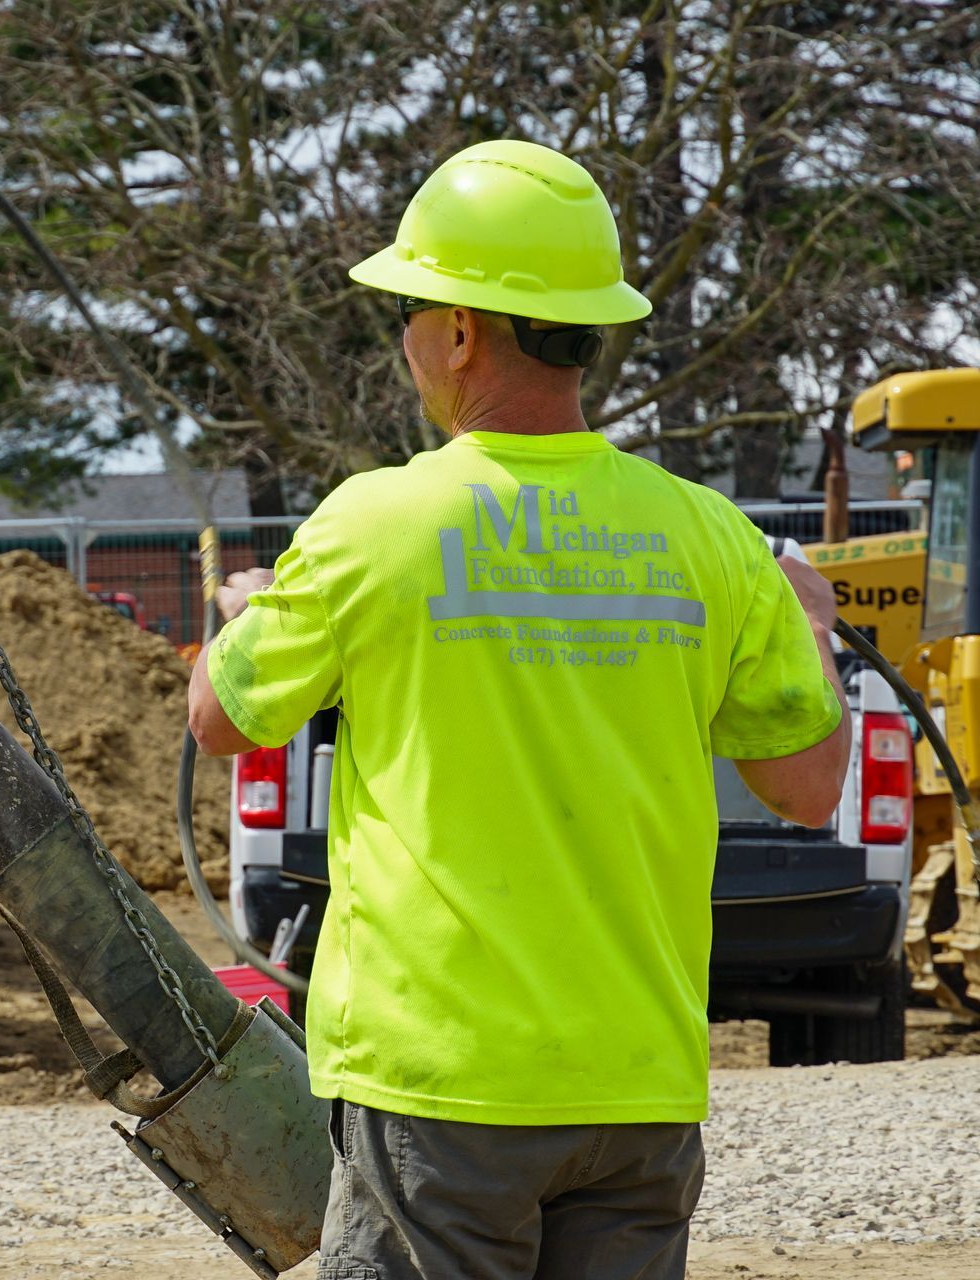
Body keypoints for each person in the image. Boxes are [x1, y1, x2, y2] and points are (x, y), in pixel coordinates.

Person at [187, 139, 848, 1280]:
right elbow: (807, 784)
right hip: (636, 1077)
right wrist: (816, 631)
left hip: (440, 1081)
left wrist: (245, 615)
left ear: (459, 330)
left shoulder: (374, 526)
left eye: (412, 308)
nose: (406, 339)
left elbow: (219, 719)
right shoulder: (710, 538)